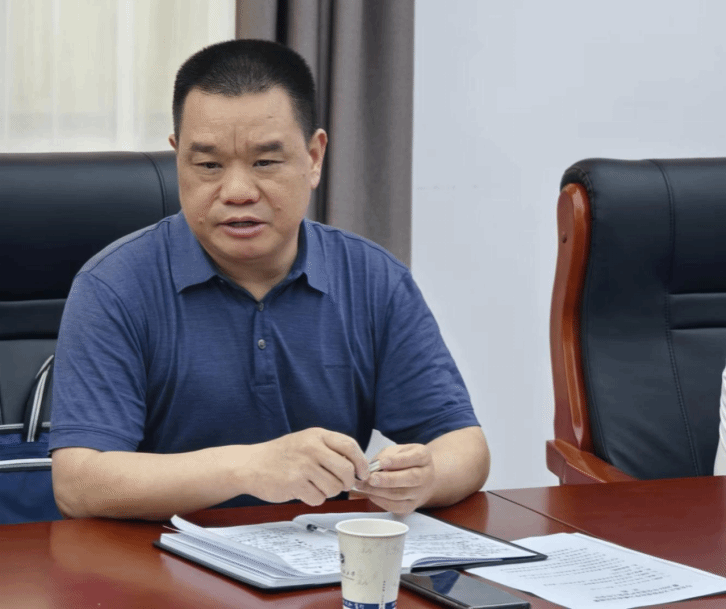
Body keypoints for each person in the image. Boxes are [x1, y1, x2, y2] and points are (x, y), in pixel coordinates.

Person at [49, 39, 490, 521]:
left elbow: (464, 446)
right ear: (178, 159)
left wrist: (425, 478)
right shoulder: (114, 286)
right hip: (155, 554)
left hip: (318, 556)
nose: (238, 192)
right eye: (209, 165)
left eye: (264, 162)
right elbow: (78, 483)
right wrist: (248, 467)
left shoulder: (372, 278)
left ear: (314, 157)